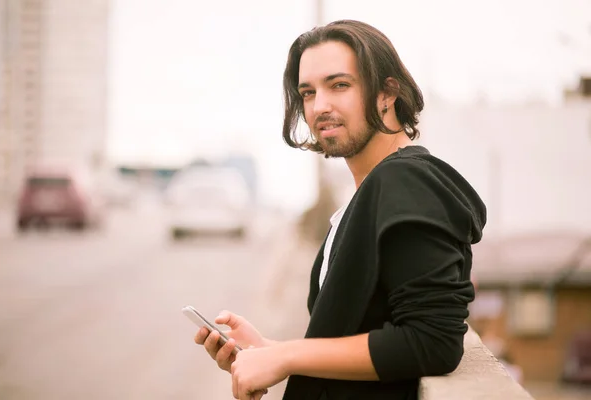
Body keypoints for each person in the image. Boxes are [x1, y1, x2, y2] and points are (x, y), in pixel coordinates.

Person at [194, 19, 487, 400]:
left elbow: (433, 341)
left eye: (339, 85)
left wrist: (289, 355)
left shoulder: (404, 182)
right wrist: (269, 351)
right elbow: (360, 332)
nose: (320, 106)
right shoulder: (367, 194)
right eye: (308, 92)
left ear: (388, 92)